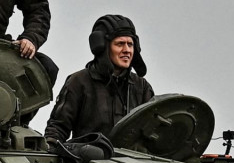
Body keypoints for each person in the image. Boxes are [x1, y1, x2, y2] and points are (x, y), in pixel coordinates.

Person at [45, 14, 154, 142]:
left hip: (132, 160)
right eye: (120, 44)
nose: (127, 50)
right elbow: (57, 128)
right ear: (103, 47)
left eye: (130, 45)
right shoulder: (79, 82)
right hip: (87, 159)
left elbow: (154, 131)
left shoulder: (141, 87)